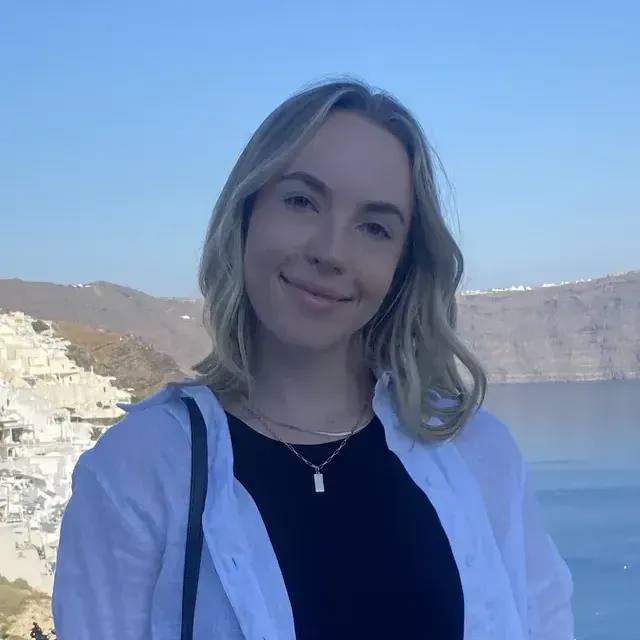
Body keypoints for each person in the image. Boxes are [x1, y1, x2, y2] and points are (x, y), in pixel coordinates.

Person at [52, 79, 573, 639]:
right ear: (247, 214)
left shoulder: (477, 454)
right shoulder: (140, 473)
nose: (330, 251)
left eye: (374, 227)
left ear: (402, 264)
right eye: (301, 201)